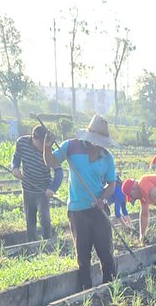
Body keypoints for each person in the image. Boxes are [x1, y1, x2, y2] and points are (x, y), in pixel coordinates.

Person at [44, 114, 118, 291]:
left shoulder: (107, 157)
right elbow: (52, 162)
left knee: (106, 252)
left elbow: (112, 183)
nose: (97, 145)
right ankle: (85, 292)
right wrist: (46, 148)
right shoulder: (71, 146)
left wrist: (103, 199)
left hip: (98, 209)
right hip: (78, 210)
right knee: (83, 256)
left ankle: (110, 288)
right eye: (95, 141)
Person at [11, 125, 63, 241]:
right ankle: (32, 243)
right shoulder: (22, 142)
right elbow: (16, 158)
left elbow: (59, 172)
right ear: (33, 138)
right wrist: (15, 168)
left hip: (43, 190)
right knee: (30, 219)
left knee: (44, 218)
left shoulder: (50, 151)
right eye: (41, 144)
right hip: (27, 188)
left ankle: (48, 240)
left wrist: (52, 188)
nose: (44, 148)